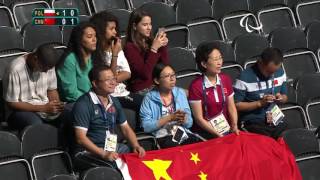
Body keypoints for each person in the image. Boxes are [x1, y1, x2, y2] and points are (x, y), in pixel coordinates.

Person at [72, 65, 145, 170]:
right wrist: (103, 154)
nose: (113, 83)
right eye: (108, 80)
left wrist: (135, 145)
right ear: (95, 83)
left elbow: (125, 128)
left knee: (134, 158)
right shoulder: (83, 104)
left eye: (113, 78)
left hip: (110, 147)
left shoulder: (114, 101)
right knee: (114, 166)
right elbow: (80, 138)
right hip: (88, 152)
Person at [3, 44, 64, 131]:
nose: (46, 71)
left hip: (44, 107)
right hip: (20, 111)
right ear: (35, 59)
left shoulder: (48, 65)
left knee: (69, 115)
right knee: (36, 124)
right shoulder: (15, 69)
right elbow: (11, 104)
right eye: (44, 69)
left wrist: (56, 105)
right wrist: (43, 108)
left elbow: (52, 90)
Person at [140, 63, 202, 148]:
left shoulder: (180, 93)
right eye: (167, 76)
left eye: (173, 75)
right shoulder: (149, 98)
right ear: (157, 80)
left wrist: (184, 119)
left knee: (199, 146)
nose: (172, 78)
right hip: (162, 135)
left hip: (181, 132)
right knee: (177, 149)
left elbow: (189, 123)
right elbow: (146, 126)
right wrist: (169, 118)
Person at [90, 11, 143, 111]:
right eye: (111, 29)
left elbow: (127, 73)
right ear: (101, 30)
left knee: (149, 104)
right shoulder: (95, 52)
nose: (115, 32)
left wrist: (113, 78)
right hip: (111, 95)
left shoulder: (116, 46)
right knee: (143, 106)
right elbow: (109, 79)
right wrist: (114, 55)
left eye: (115, 28)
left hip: (122, 91)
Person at [188, 42, 239, 139]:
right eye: (215, 59)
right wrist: (217, 134)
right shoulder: (195, 86)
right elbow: (199, 119)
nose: (219, 62)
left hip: (226, 129)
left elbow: (231, 107)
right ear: (204, 64)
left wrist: (234, 125)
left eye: (220, 58)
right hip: (205, 133)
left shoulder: (225, 79)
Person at [234, 47, 288, 139]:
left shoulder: (280, 73)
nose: (271, 74)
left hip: (275, 118)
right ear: (260, 62)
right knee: (266, 143)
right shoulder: (244, 78)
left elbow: (285, 97)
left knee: (290, 137)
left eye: (274, 71)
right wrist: (259, 103)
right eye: (268, 71)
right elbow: (236, 105)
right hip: (253, 122)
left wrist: (281, 98)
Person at [124, 10, 169, 94]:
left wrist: (162, 46)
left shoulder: (151, 42)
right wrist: (154, 49)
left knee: (184, 94)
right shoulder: (129, 47)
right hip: (142, 89)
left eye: (150, 24)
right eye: (145, 25)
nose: (149, 28)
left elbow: (164, 66)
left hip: (157, 85)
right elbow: (145, 74)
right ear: (134, 26)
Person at [57, 22, 96, 104]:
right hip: (76, 102)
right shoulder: (69, 59)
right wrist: (93, 100)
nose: (94, 39)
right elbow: (71, 93)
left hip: (95, 98)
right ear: (79, 40)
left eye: (95, 36)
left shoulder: (95, 56)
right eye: (89, 36)